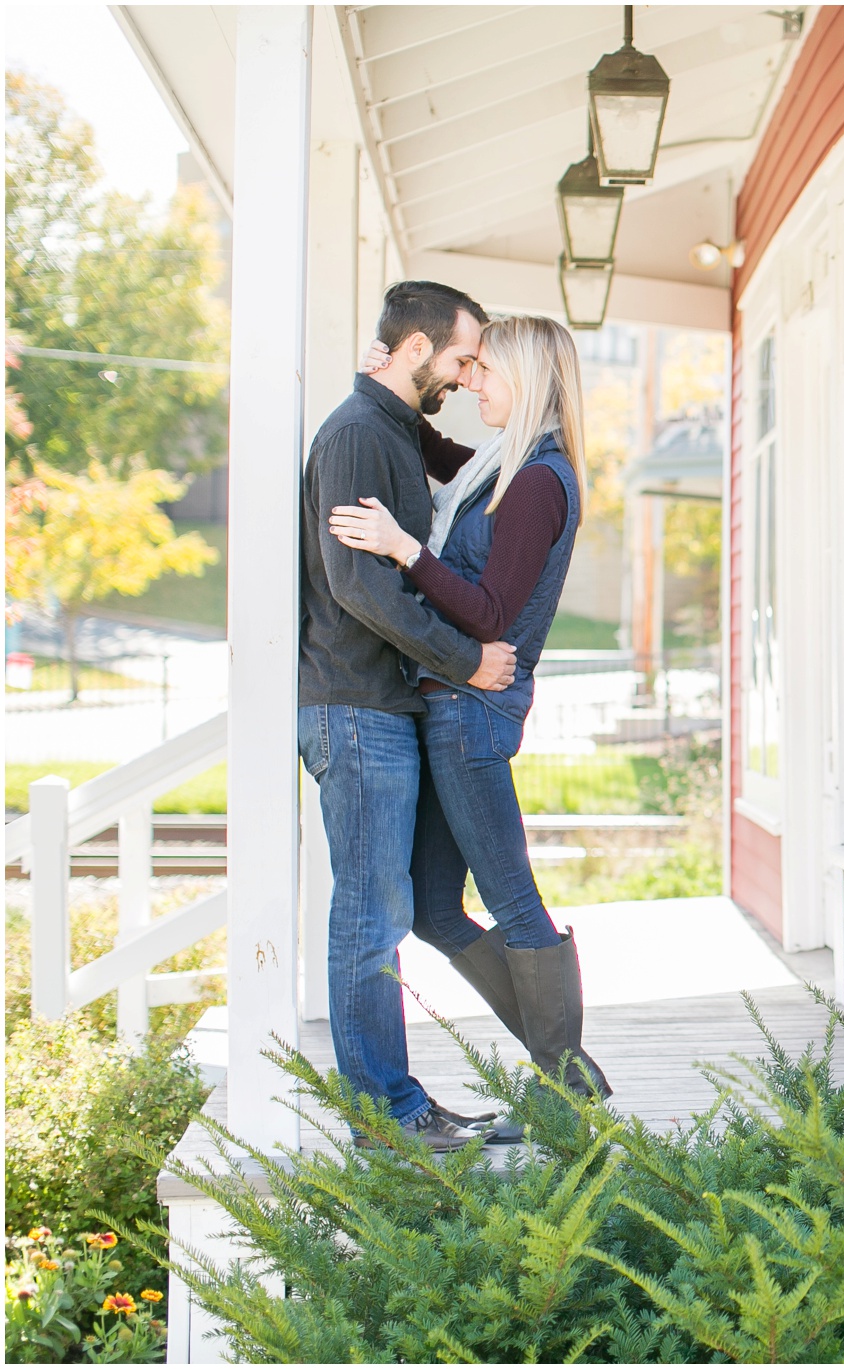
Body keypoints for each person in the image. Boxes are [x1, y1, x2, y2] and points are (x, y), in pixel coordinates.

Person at [330, 315, 611, 1108]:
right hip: (449, 711)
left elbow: (490, 613)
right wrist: (386, 378)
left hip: (471, 715)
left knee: (513, 900)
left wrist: (403, 549)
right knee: (430, 905)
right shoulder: (501, 463)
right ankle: (568, 1068)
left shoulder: (539, 480)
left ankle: (563, 1089)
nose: (470, 383)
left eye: (483, 370)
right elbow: (427, 447)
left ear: (523, 376)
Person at [300, 280, 512, 1151]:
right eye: (462, 358)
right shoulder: (356, 436)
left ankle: (396, 1105)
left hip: (379, 707)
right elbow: (356, 585)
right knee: (372, 916)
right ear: (419, 350)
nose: (468, 377)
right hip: (354, 708)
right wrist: (466, 659)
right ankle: (386, 1117)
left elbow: (462, 466)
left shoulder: (386, 426)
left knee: (382, 911)